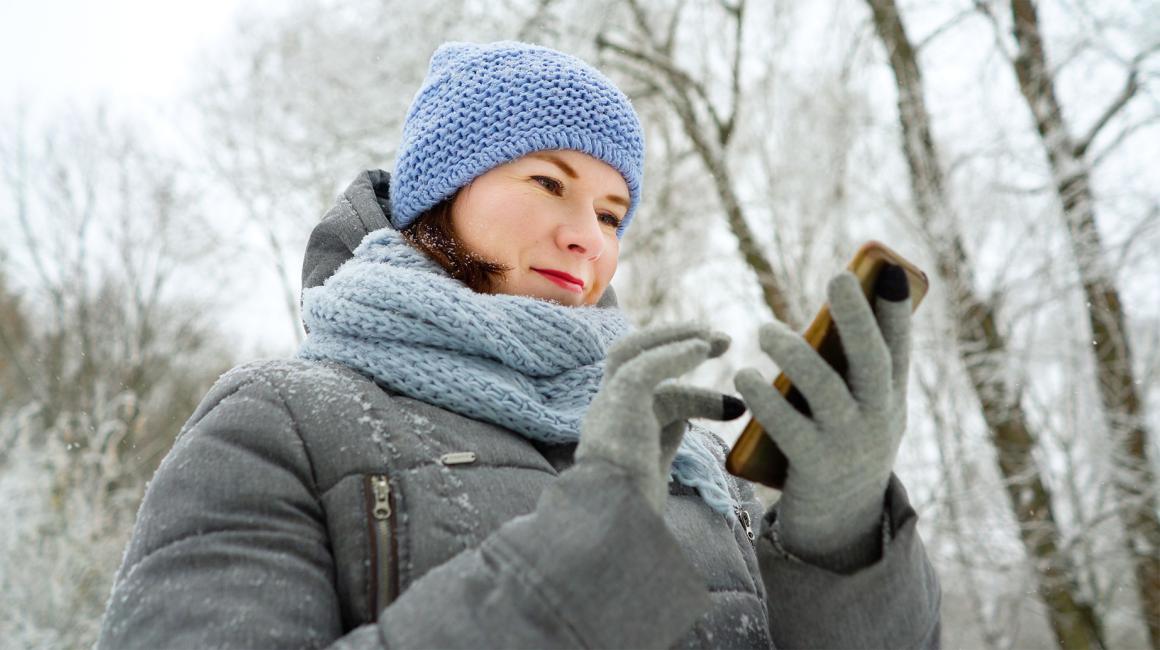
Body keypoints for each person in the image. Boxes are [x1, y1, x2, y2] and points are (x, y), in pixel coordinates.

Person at [97, 41, 940, 649]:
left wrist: (839, 545)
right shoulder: (280, 424)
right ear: (442, 193)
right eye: (547, 183)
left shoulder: (686, 458)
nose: (588, 239)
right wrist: (567, 575)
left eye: (613, 214)